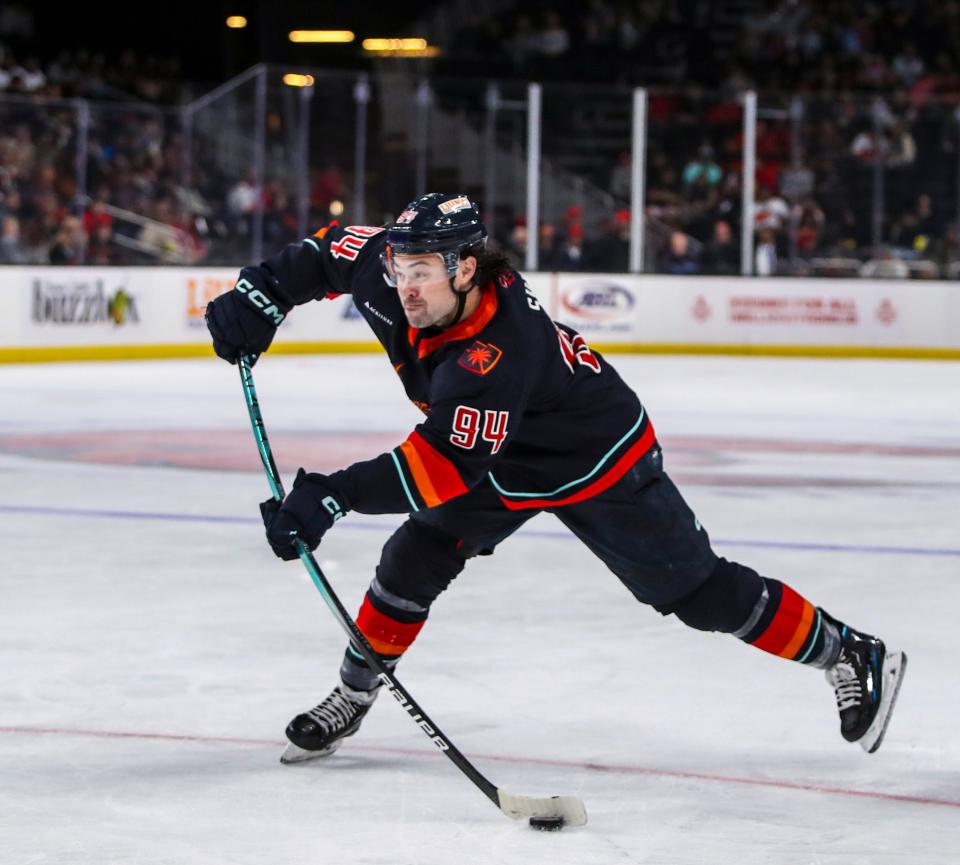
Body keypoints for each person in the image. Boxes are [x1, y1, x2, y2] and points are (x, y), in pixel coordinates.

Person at [205, 192, 907, 764]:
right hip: (494, 456)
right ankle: (353, 694)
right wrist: (261, 293)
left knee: (697, 593)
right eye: (401, 267)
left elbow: (441, 466)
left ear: (467, 268)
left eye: (424, 271)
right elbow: (331, 249)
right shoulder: (392, 270)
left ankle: (848, 650)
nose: (406, 285)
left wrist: (336, 493)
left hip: (593, 455)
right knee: (411, 560)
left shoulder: (495, 353)